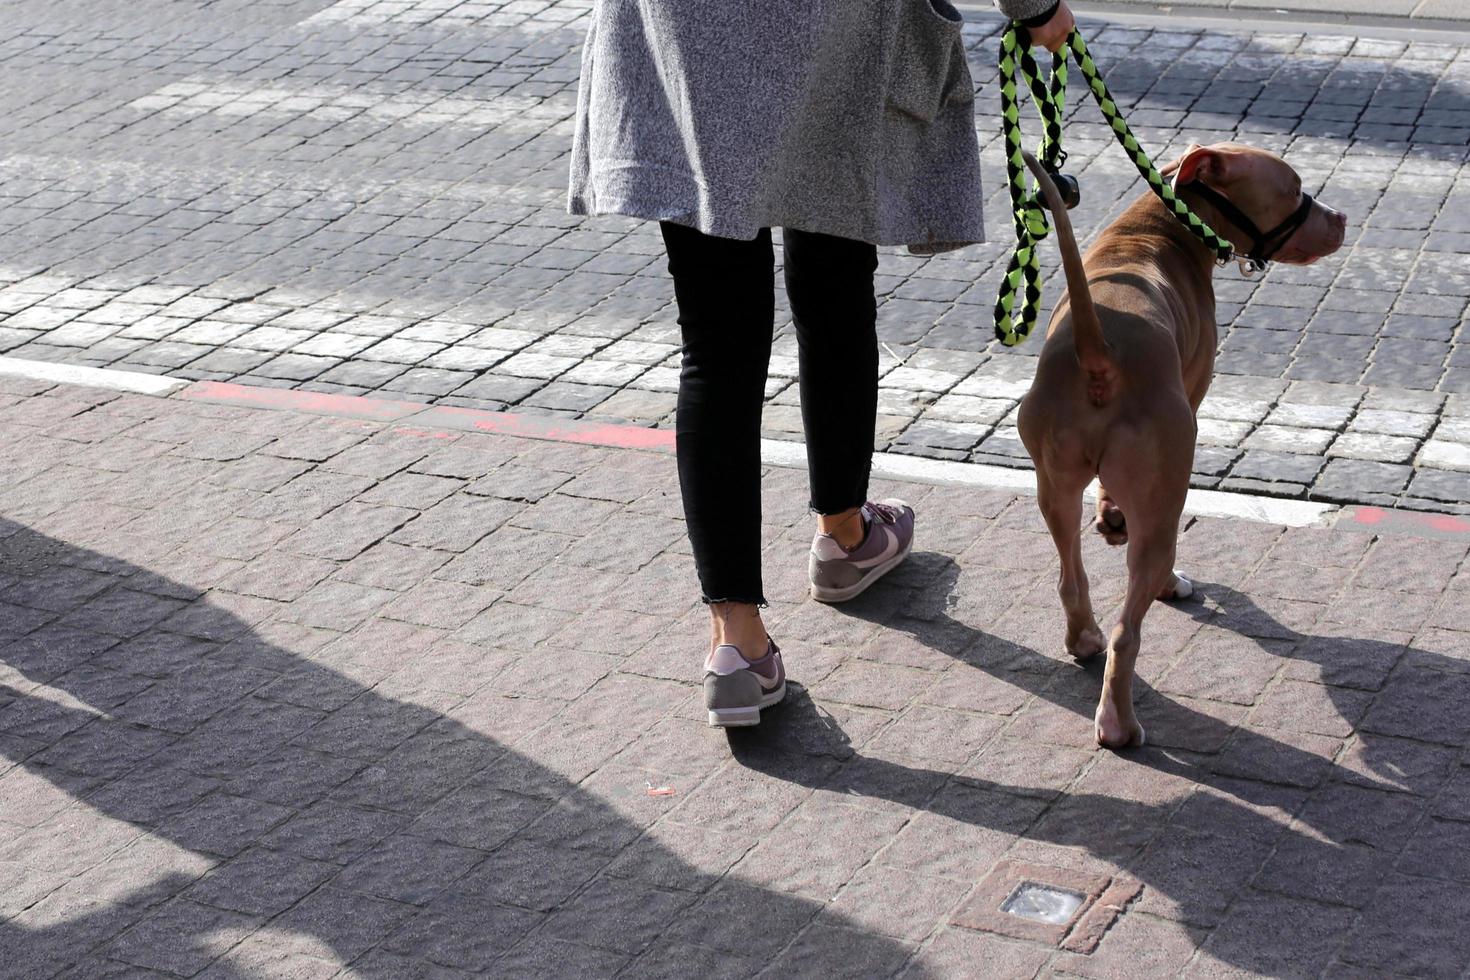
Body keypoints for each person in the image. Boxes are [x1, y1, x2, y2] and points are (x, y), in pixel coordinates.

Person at [568, 0, 1077, 727]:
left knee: (717, 345)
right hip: (832, 29)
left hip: (683, 29)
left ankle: (736, 645)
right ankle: (845, 534)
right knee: (835, 280)